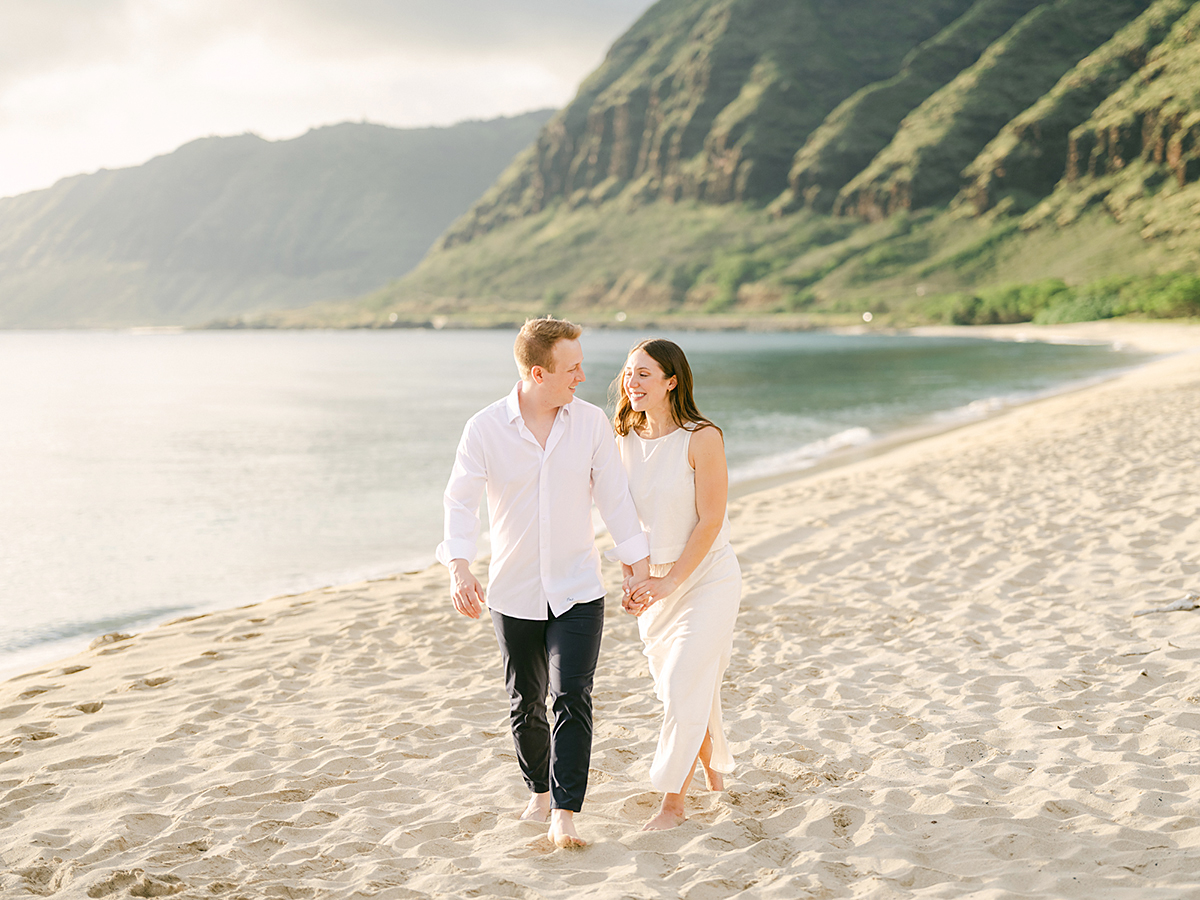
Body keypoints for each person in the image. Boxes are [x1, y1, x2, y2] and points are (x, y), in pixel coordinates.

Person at [436, 317, 651, 849]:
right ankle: (537, 790)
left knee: (572, 696)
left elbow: (615, 499)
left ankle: (564, 812)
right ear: (538, 371)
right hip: (513, 592)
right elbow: (460, 502)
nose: (582, 376)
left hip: (579, 588)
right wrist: (459, 567)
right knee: (525, 700)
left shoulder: (591, 424)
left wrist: (637, 565)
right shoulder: (484, 428)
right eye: (572, 367)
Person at [612, 338, 742, 831]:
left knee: (684, 680)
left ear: (672, 381)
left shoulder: (702, 437)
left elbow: (710, 522)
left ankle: (672, 804)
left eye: (644, 374)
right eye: (628, 373)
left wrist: (670, 584)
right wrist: (633, 578)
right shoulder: (621, 436)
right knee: (683, 690)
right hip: (653, 582)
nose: (632, 382)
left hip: (706, 577)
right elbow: (622, 521)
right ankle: (715, 776)